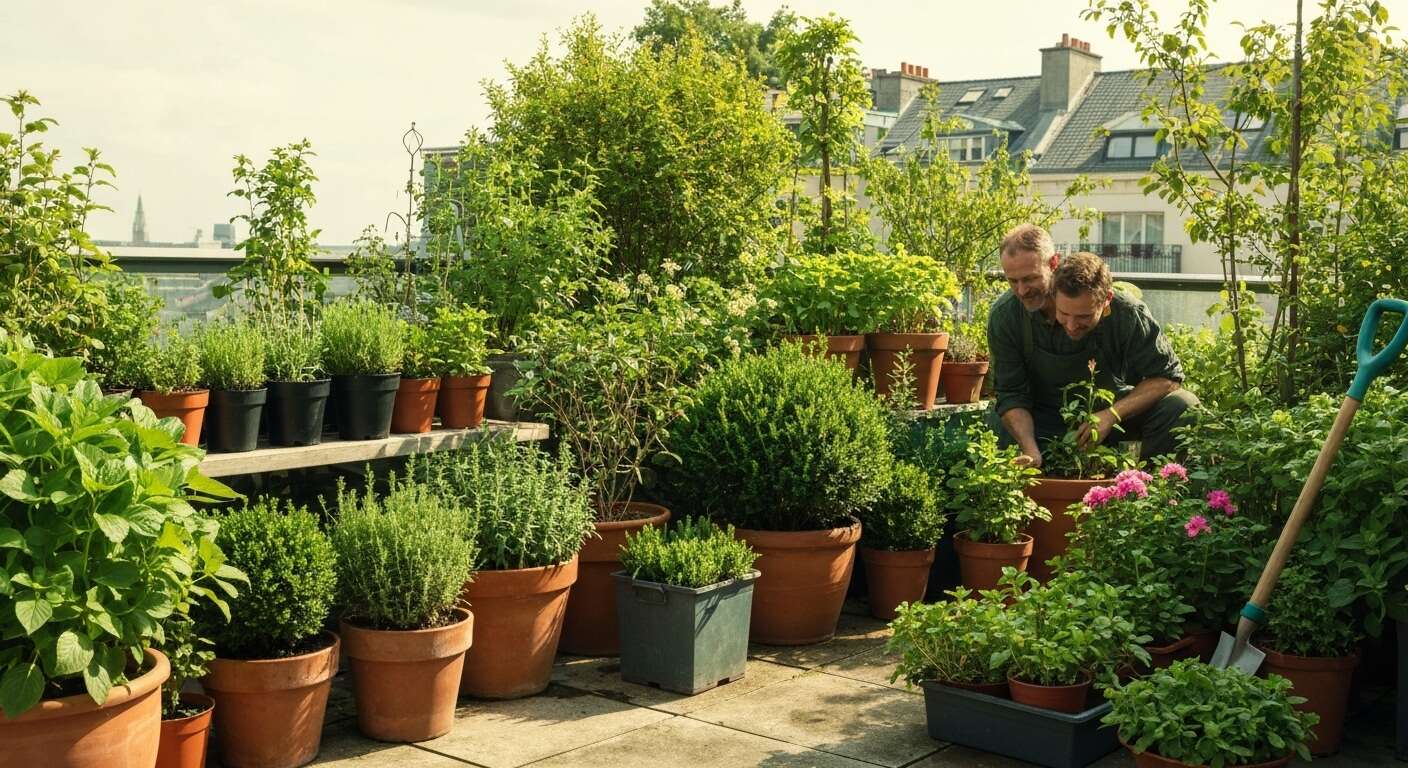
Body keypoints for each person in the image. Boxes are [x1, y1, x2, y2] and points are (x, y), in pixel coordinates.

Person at [986, 223, 1197, 466]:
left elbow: (1166, 376)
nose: (1021, 290)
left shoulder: (1125, 312)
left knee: (1182, 405)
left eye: (1030, 279)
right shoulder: (1006, 315)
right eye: (1012, 281)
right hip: (1043, 422)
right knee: (998, 419)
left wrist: (1112, 415)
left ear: (1053, 265)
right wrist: (1031, 452)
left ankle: (1143, 489)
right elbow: (1011, 394)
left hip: (1110, 417)